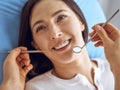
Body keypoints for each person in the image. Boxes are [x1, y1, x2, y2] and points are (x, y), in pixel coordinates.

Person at [0, 0, 120, 90]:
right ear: (35, 45)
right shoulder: (37, 88)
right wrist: (10, 85)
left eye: (61, 17)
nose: (55, 33)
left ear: (81, 22)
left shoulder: (114, 61)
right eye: (41, 28)